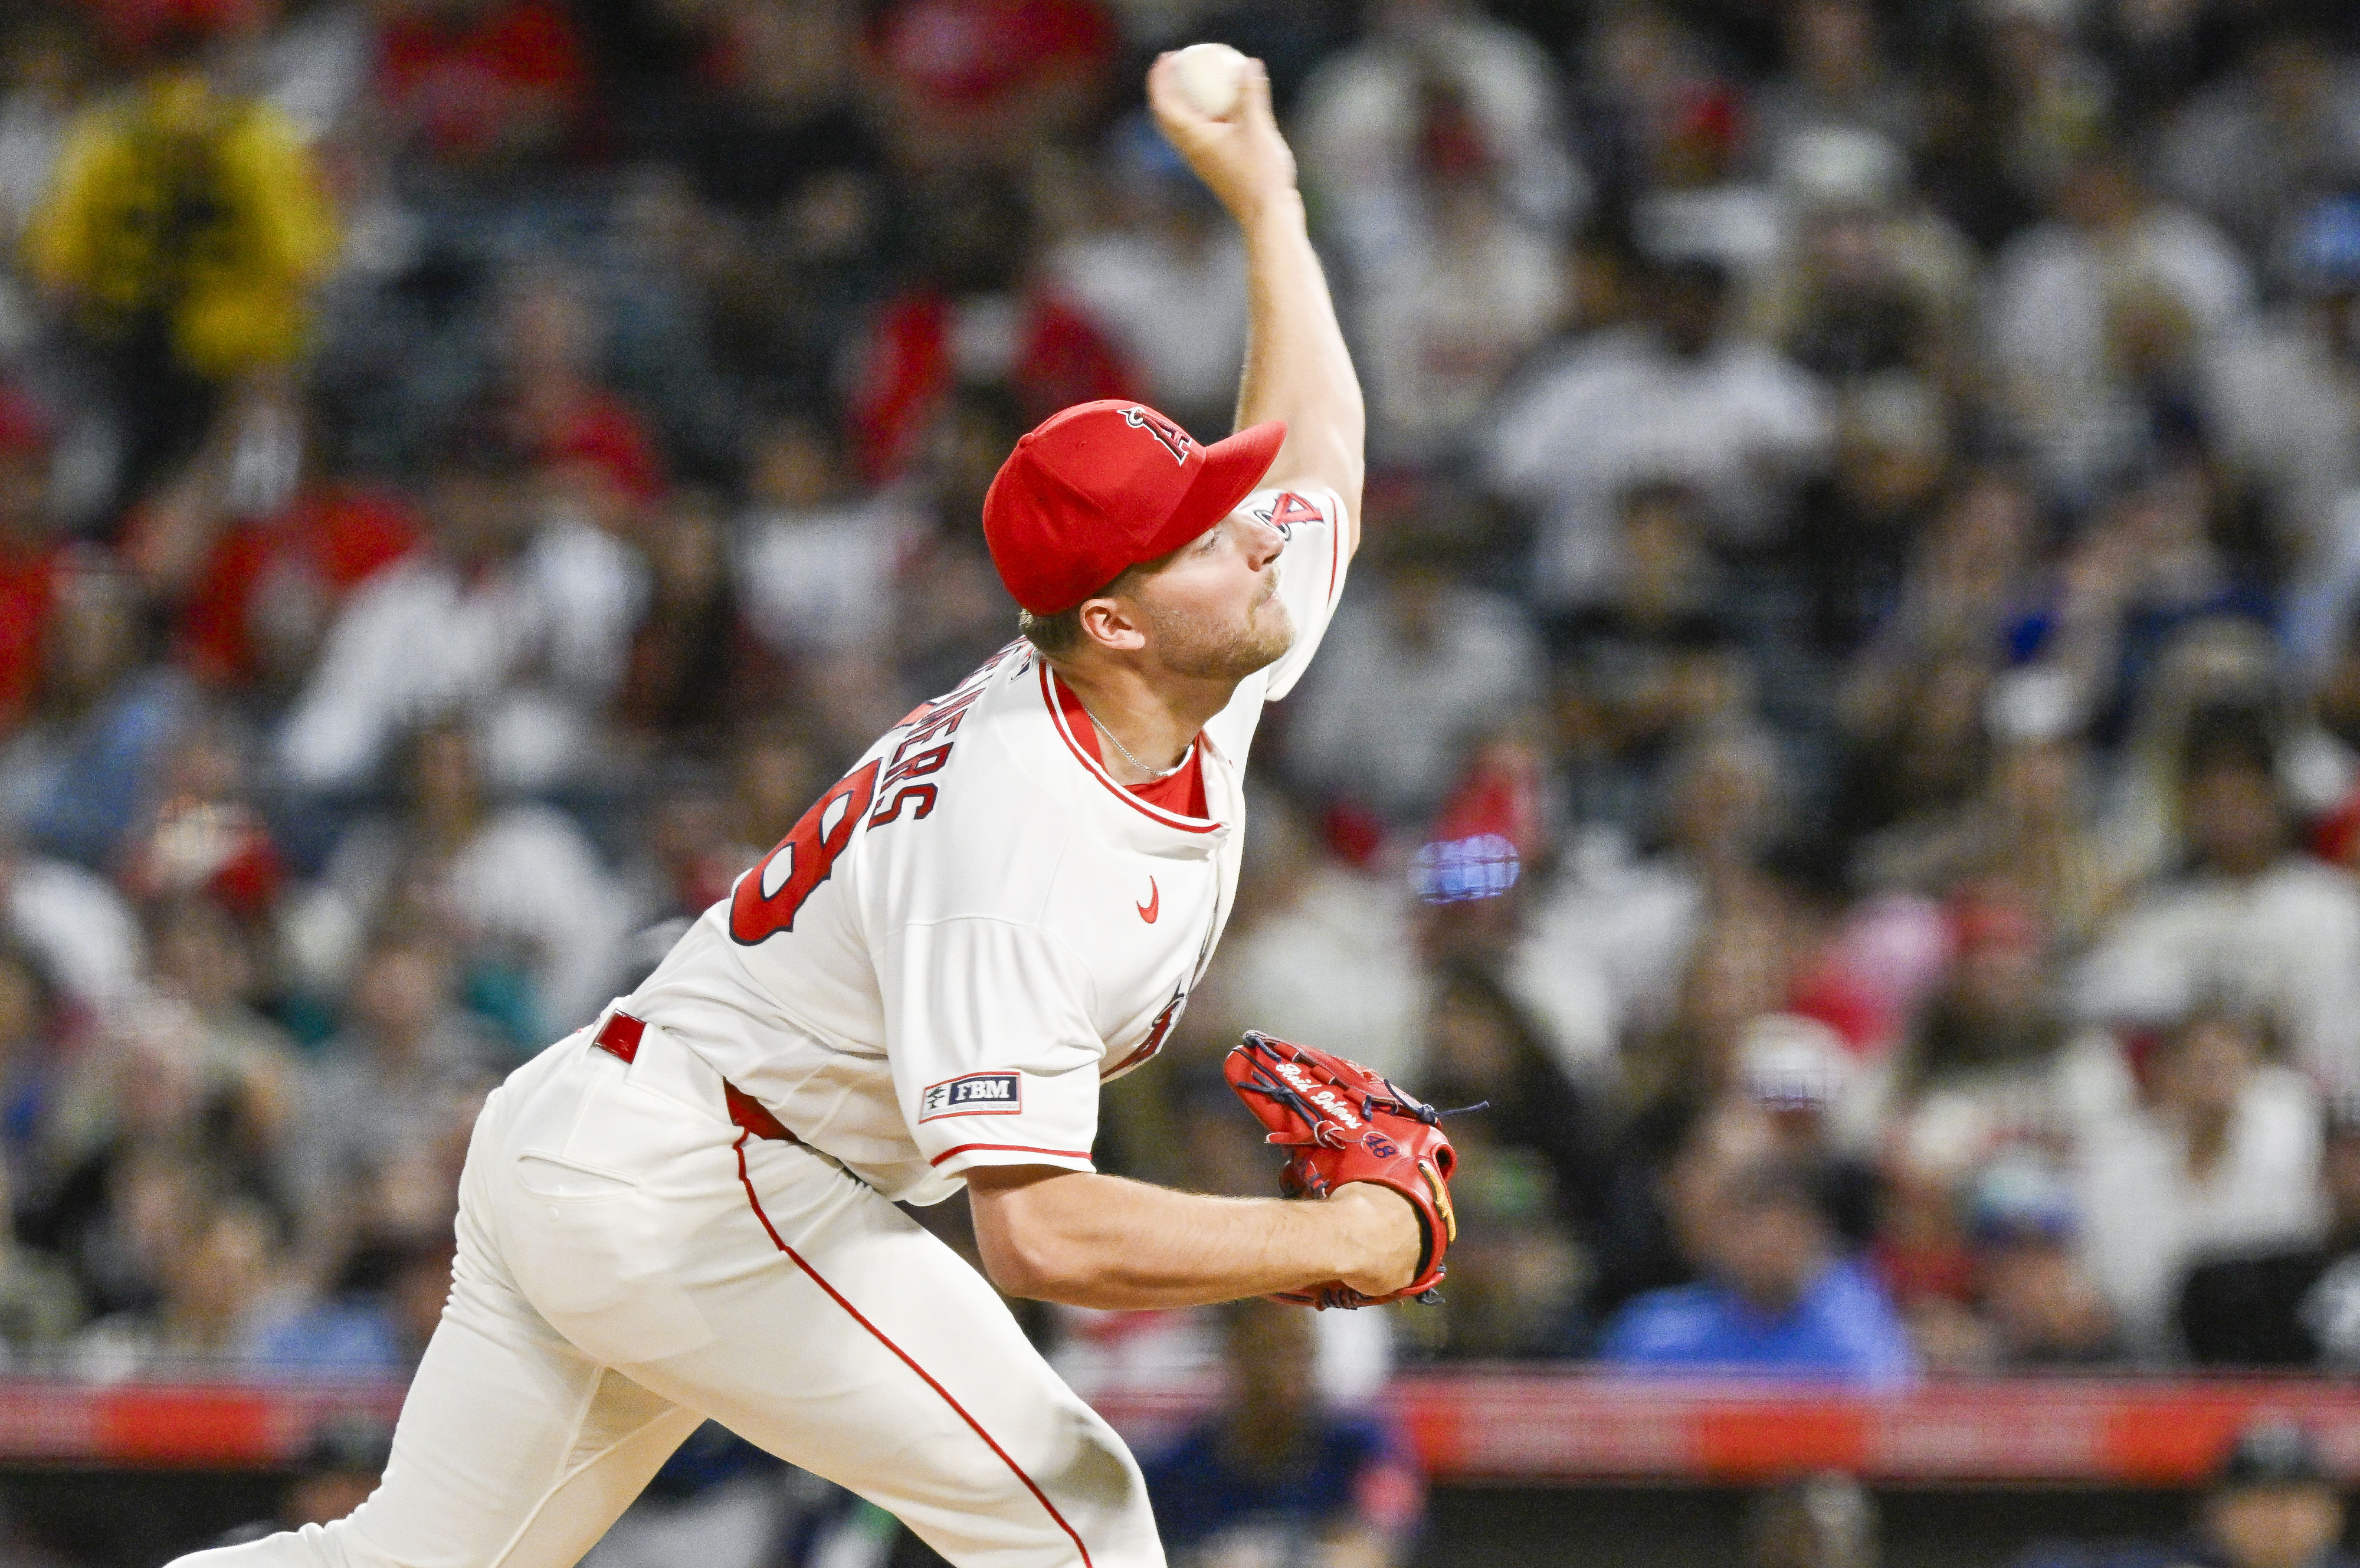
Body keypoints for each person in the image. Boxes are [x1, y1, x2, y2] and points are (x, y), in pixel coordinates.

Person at [167, 49, 1408, 1568]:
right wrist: (1341, 1242)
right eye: (1203, 534)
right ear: (1119, 621)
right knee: (1075, 1509)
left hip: (618, 1137)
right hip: (703, 1173)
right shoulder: (1021, 828)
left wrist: (1269, 201)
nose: (1256, 539)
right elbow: (1045, 1238)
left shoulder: (1189, 667)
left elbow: (1321, 446)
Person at [1139, 1299, 1424, 1568]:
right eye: (1266, 1351)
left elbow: (1384, 1536)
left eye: (1295, 1348)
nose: (1282, 1370)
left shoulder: (1361, 1447)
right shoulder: (1177, 1469)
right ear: (1234, 1353)